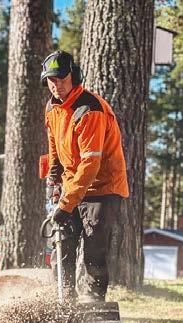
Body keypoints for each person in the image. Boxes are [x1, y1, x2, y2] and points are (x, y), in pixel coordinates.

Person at [40, 50, 129, 302]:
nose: (56, 85)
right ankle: (64, 299)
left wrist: (66, 204)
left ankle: (93, 302)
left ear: (74, 76)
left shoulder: (90, 109)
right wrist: (54, 180)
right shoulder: (52, 108)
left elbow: (90, 164)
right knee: (62, 245)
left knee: (94, 248)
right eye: (51, 80)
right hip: (73, 187)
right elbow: (55, 148)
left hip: (103, 188)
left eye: (61, 78)